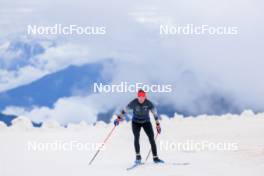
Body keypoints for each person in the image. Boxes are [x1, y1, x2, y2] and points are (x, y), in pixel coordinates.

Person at [114, 89, 164, 164]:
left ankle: (155, 158)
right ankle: (138, 157)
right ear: (137, 97)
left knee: (151, 138)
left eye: (142, 97)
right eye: (139, 97)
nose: (141, 98)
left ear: (145, 97)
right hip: (135, 122)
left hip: (146, 122)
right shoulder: (134, 102)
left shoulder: (149, 103)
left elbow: (155, 114)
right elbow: (125, 110)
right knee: (136, 137)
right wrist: (118, 118)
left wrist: (158, 125)